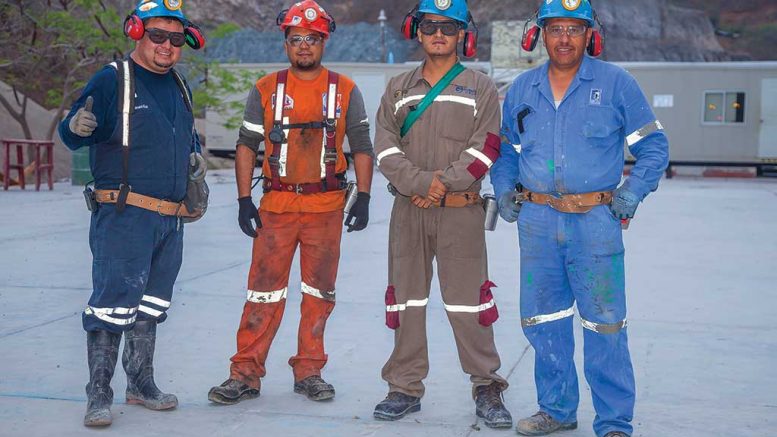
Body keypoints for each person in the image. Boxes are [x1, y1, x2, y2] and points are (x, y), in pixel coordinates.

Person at [491, 1, 669, 436]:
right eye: (556, 28)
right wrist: (504, 190)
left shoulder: (615, 84)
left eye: (575, 28)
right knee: (543, 319)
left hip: (595, 222)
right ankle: (556, 410)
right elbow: (506, 153)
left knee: (604, 322)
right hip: (536, 222)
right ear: (540, 35)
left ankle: (612, 421)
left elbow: (654, 147)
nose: (565, 38)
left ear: (590, 35)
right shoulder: (522, 89)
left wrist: (632, 194)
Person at [207, 0, 374, 405]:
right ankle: (245, 373)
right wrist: (244, 199)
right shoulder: (266, 89)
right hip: (277, 207)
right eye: (296, 38)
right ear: (285, 43)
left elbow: (363, 146)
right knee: (262, 292)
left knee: (320, 292)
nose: (304, 46)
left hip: (326, 207)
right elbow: (246, 144)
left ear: (324, 43)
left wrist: (364, 196)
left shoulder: (344, 89)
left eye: (312, 39)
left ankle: (309, 370)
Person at [58, 0, 207, 427]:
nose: (167, 46)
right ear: (137, 33)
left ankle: (141, 384)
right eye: (157, 35)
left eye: (176, 39)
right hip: (124, 217)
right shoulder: (112, 79)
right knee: (111, 306)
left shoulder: (180, 84)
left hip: (170, 218)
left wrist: (194, 158)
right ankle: (98, 394)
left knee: (152, 304)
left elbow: (181, 137)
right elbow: (73, 132)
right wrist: (75, 128)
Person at [372, 0, 511, 428]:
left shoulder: (480, 86)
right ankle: (404, 388)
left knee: (471, 302)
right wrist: (418, 183)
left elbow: (486, 148)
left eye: (448, 28)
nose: (438, 34)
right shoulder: (397, 87)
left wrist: (439, 185)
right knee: (408, 300)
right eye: (430, 26)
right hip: (408, 210)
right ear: (418, 32)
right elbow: (384, 146)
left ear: (461, 35)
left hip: (460, 213)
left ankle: (486, 386)